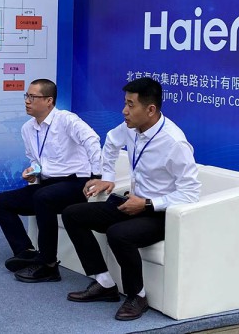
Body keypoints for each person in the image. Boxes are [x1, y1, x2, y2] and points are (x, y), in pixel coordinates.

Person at [62, 77, 200, 321]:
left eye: (130, 105)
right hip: (132, 201)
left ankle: (138, 295)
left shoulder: (174, 142)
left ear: (150, 109)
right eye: (125, 103)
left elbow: (190, 192)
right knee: (72, 214)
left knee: (118, 234)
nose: (124, 111)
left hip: (160, 213)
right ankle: (104, 283)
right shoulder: (130, 127)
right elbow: (111, 142)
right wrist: (107, 177)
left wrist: (147, 204)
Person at [0, 78, 102, 283]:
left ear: (49, 100)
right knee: (0, 202)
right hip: (47, 185)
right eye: (26, 96)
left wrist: (96, 176)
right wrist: (32, 171)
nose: (27, 101)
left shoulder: (66, 120)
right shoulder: (27, 128)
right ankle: (26, 252)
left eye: (33, 97)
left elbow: (92, 139)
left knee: (43, 197)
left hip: (76, 183)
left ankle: (49, 264)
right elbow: (36, 160)